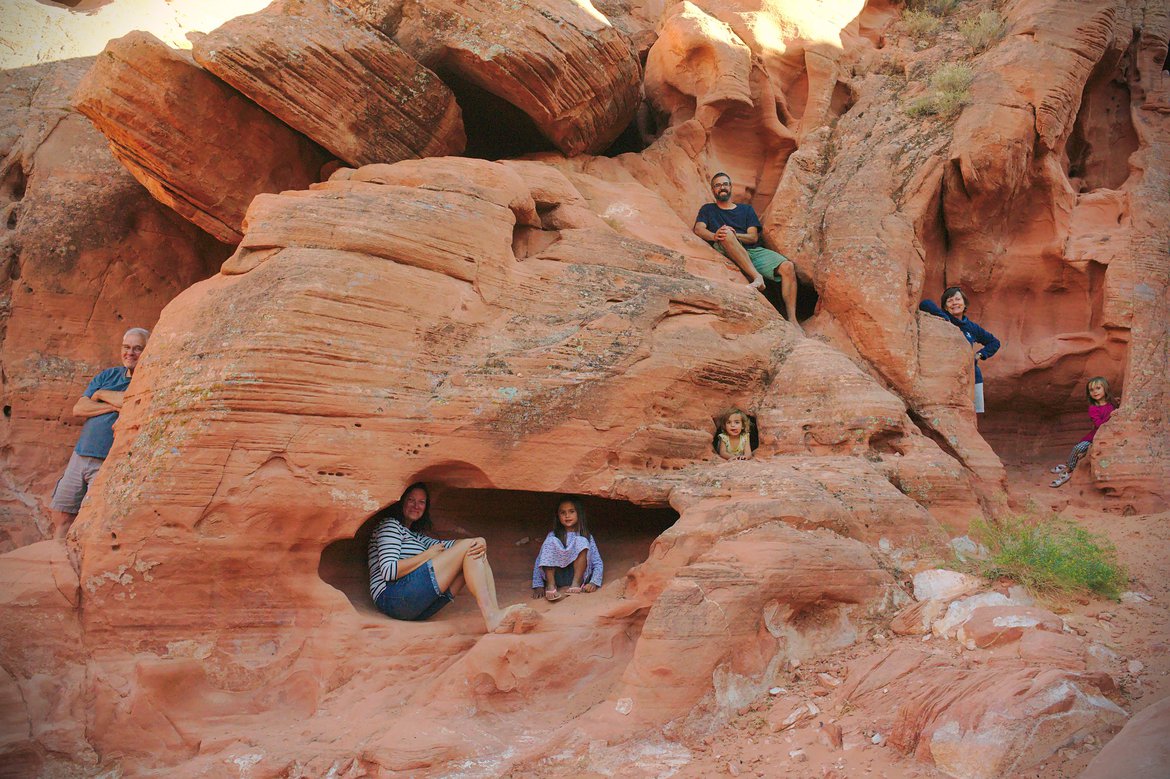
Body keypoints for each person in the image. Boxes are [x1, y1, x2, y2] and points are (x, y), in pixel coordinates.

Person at [367, 482, 537, 633]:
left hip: (417, 608)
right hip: (392, 598)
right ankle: (492, 617)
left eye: (422, 502)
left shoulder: (417, 536)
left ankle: (495, 613)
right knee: (470, 547)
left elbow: (452, 546)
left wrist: (480, 541)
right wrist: (427, 555)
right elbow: (389, 571)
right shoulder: (390, 525)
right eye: (411, 500)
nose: (416, 506)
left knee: (475, 550)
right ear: (401, 501)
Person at [49, 327, 149, 538]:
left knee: (93, 518)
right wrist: (114, 405)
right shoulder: (108, 375)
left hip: (107, 460)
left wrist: (101, 395)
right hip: (81, 454)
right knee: (63, 513)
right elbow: (79, 408)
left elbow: (130, 403)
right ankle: (58, 562)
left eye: (137, 348)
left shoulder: (145, 379)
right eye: (126, 347)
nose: (130, 353)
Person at [694, 171, 800, 326]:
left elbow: (753, 237)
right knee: (726, 233)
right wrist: (715, 236)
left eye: (725, 184)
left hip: (752, 251)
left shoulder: (746, 210)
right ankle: (757, 277)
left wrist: (736, 236)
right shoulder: (708, 209)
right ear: (713, 190)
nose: (721, 188)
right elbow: (698, 229)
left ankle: (793, 319)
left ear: (730, 187)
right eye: (717, 185)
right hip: (725, 247)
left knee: (787, 267)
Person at [919, 287, 1000, 413]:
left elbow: (994, 342)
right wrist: (944, 318)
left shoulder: (972, 327)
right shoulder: (944, 318)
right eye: (950, 301)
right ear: (945, 307)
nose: (955, 303)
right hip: (947, 375)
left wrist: (980, 355)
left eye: (958, 299)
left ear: (964, 303)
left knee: (972, 412)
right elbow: (925, 304)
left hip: (972, 376)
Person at [530, 497, 603, 603]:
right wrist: (538, 585)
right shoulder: (553, 535)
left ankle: (576, 583)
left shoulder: (586, 536)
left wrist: (594, 582)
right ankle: (551, 585)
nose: (567, 516)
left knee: (581, 541)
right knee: (551, 541)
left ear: (579, 513)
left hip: (577, 575)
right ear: (558, 516)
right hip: (557, 575)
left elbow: (597, 561)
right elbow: (540, 560)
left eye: (571, 511)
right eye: (562, 512)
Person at [1049, 377, 1117, 488]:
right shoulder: (1093, 408)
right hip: (1094, 437)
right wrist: (1112, 415)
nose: (1095, 392)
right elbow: (1099, 424)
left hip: (1108, 437)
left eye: (1098, 388)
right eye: (1091, 390)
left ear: (1106, 389)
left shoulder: (1112, 405)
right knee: (1078, 448)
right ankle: (1069, 467)